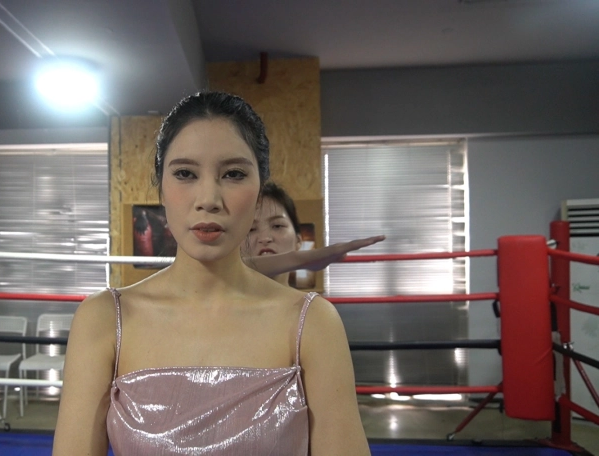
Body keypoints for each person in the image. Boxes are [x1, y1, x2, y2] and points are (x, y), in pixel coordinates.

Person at [53, 91, 370, 455]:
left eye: (233, 174)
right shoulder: (105, 319)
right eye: (185, 173)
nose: (208, 199)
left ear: (259, 191)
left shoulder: (312, 323)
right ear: (161, 188)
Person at [245, 182, 384, 285]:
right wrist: (301, 259)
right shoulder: (230, 308)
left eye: (277, 226)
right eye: (250, 229)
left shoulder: (317, 310)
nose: (265, 238)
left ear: (298, 241)